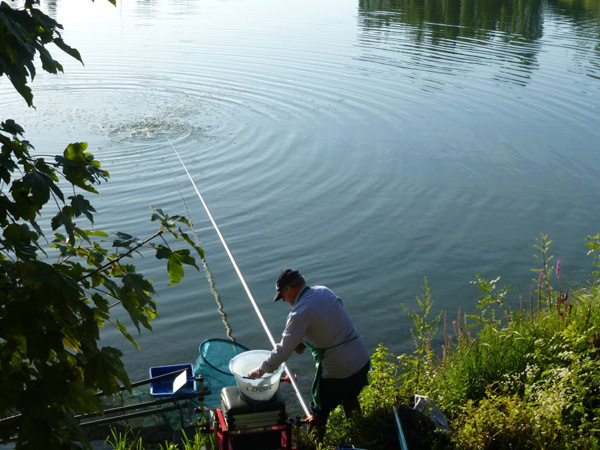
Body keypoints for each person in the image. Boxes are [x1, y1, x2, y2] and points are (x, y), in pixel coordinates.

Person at [248, 269, 370, 436]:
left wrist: (261, 370)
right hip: (361, 358)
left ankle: (315, 444)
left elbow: (283, 351)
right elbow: (331, 319)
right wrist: (306, 341)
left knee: (318, 411)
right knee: (349, 398)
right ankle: (362, 435)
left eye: (282, 296)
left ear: (290, 290)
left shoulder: (299, 313)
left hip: (339, 369)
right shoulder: (324, 291)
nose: (284, 301)